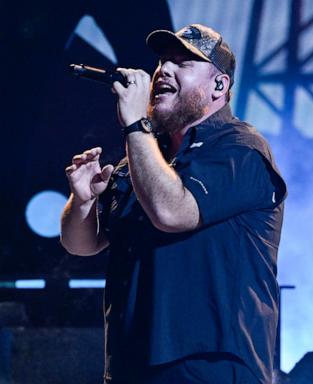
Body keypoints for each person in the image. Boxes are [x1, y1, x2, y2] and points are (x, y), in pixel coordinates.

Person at [61, 24, 287, 384]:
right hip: (132, 362)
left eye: (183, 62)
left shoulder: (240, 150)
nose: (163, 70)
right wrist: (83, 201)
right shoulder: (145, 159)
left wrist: (136, 124)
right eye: (163, 61)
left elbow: (173, 212)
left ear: (219, 86)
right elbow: (82, 244)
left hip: (210, 361)